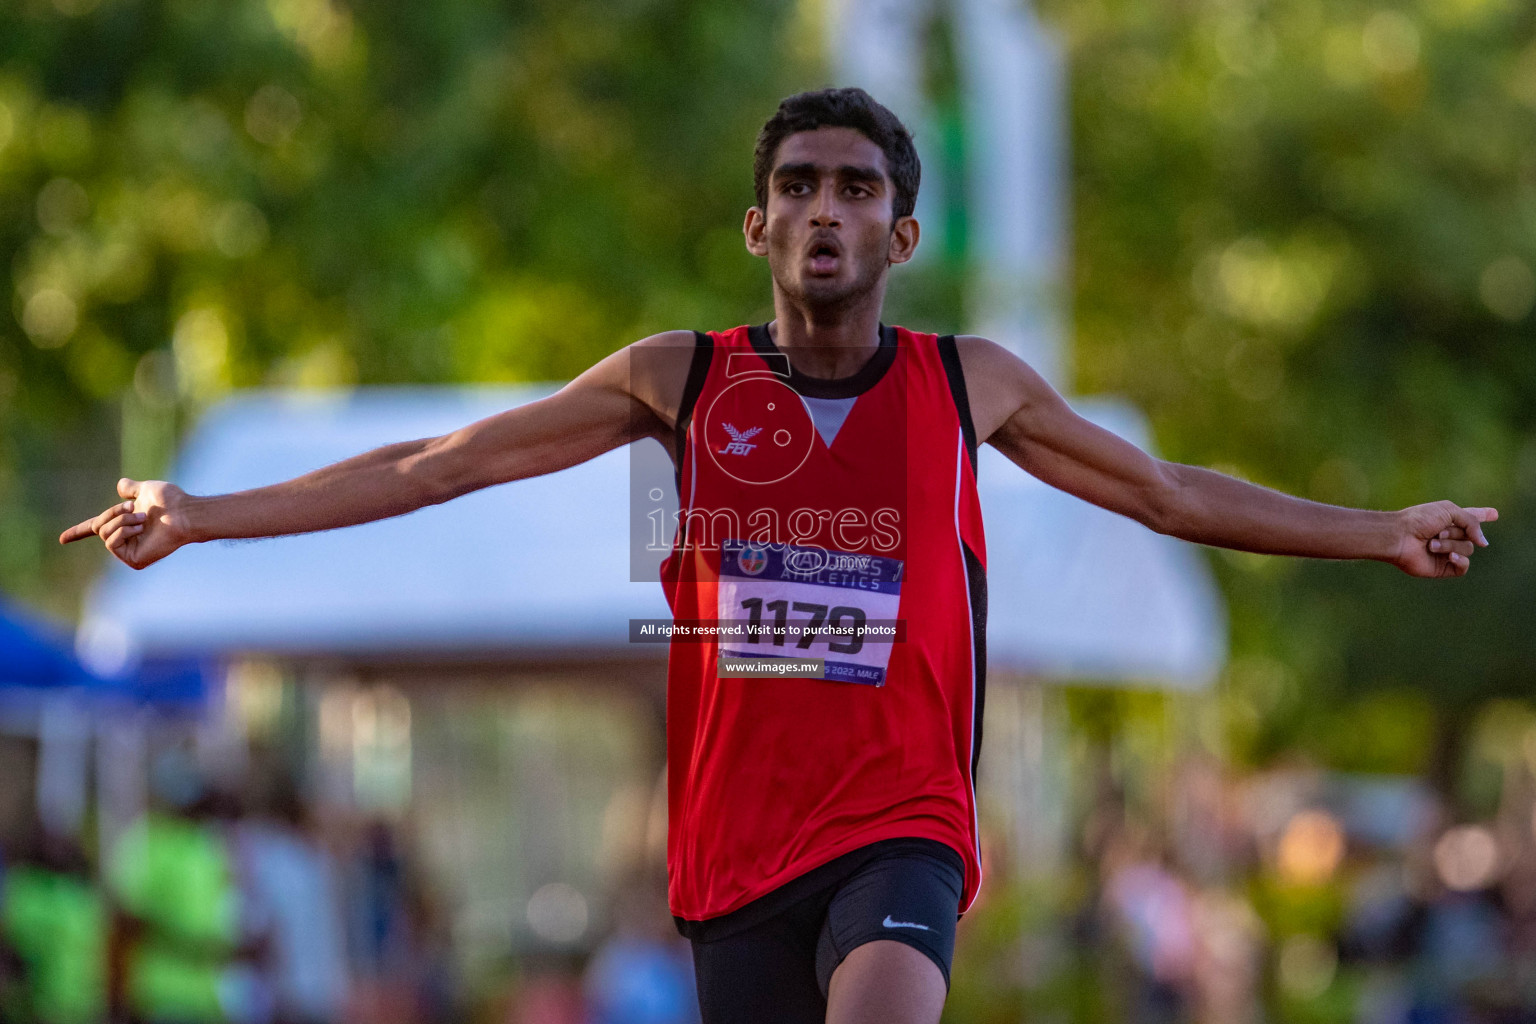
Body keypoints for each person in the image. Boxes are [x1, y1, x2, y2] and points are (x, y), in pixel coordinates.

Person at [61, 87, 1497, 1024]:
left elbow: (1170, 491)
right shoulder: (677, 380)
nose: (827, 207)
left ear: (903, 229)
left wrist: (1377, 533)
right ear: (759, 225)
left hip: (903, 823)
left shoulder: (966, 385)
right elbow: (438, 466)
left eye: (857, 187)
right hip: (734, 850)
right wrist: (203, 513)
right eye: (801, 185)